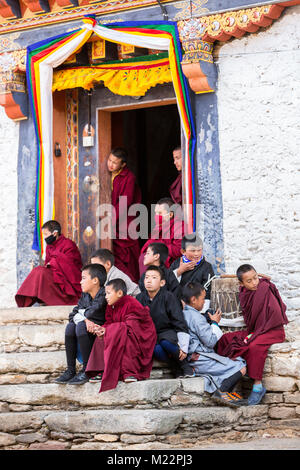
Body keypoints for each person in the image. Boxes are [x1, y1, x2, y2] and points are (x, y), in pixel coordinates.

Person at [216, 264, 289, 405]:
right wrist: (253, 334)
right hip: (257, 331)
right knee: (227, 339)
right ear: (241, 283)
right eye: (249, 281)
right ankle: (225, 375)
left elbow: (275, 315)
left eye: (255, 278)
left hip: (273, 331)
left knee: (254, 346)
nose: (254, 282)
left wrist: (255, 335)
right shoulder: (244, 292)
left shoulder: (264, 288)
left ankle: (257, 386)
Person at [182, 282, 247, 406]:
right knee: (240, 365)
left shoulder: (185, 313)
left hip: (194, 358)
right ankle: (223, 392)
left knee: (231, 362)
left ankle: (226, 392)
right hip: (201, 359)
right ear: (193, 300)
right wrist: (215, 323)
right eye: (202, 299)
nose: (204, 302)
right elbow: (210, 341)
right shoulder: (196, 318)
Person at [85, 278, 157, 392]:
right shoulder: (111, 306)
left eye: (108, 293)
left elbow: (132, 326)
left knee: (124, 336)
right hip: (121, 330)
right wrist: (102, 329)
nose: (106, 297)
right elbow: (109, 322)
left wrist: (108, 329)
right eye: (105, 294)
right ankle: (102, 370)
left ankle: (129, 372)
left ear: (119, 293)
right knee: (102, 337)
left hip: (141, 335)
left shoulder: (131, 303)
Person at [136, 265, 194, 378]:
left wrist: (183, 344)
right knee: (155, 349)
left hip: (168, 332)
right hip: (150, 335)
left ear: (162, 283)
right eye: (146, 277)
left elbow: (178, 320)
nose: (149, 280)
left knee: (165, 342)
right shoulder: (139, 298)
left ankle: (185, 365)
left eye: (153, 277)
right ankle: (175, 367)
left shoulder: (168, 297)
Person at [54, 263, 107, 385]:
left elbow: (91, 312)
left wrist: (84, 318)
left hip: (99, 334)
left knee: (80, 326)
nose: (80, 282)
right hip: (86, 334)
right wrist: (85, 319)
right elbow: (72, 315)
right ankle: (71, 370)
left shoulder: (104, 294)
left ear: (95, 280)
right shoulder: (85, 295)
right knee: (70, 327)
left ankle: (88, 370)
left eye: (83, 278)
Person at [15, 220, 82, 307]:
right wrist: (51, 264)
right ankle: (26, 300)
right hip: (56, 275)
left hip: (67, 280)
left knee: (41, 272)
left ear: (55, 233)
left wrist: (54, 262)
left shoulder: (68, 244)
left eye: (46, 234)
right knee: (39, 271)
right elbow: (48, 264)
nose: (44, 237)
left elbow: (71, 266)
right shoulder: (49, 247)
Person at [108, 147, 142, 283]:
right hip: (111, 218)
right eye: (109, 160)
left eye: (115, 162)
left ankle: (131, 284)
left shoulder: (129, 178)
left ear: (123, 165)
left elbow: (125, 203)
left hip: (125, 222)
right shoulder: (103, 172)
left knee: (127, 255)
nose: (110, 164)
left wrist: (110, 221)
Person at [139, 197, 185, 276]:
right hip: (158, 257)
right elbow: (148, 245)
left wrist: (158, 250)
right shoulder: (158, 227)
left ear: (170, 214)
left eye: (160, 213)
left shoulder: (179, 226)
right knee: (144, 258)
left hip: (171, 262)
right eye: (156, 213)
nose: (156, 216)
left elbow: (178, 250)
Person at [170, 233, 215, 304]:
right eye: (193, 251)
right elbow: (168, 284)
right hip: (177, 305)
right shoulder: (176, 264)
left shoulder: (206, 267)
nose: (196, 254)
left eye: (199, 250)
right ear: (183, 252)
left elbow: (207, 290)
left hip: (197, 306)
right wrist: (179, 271)